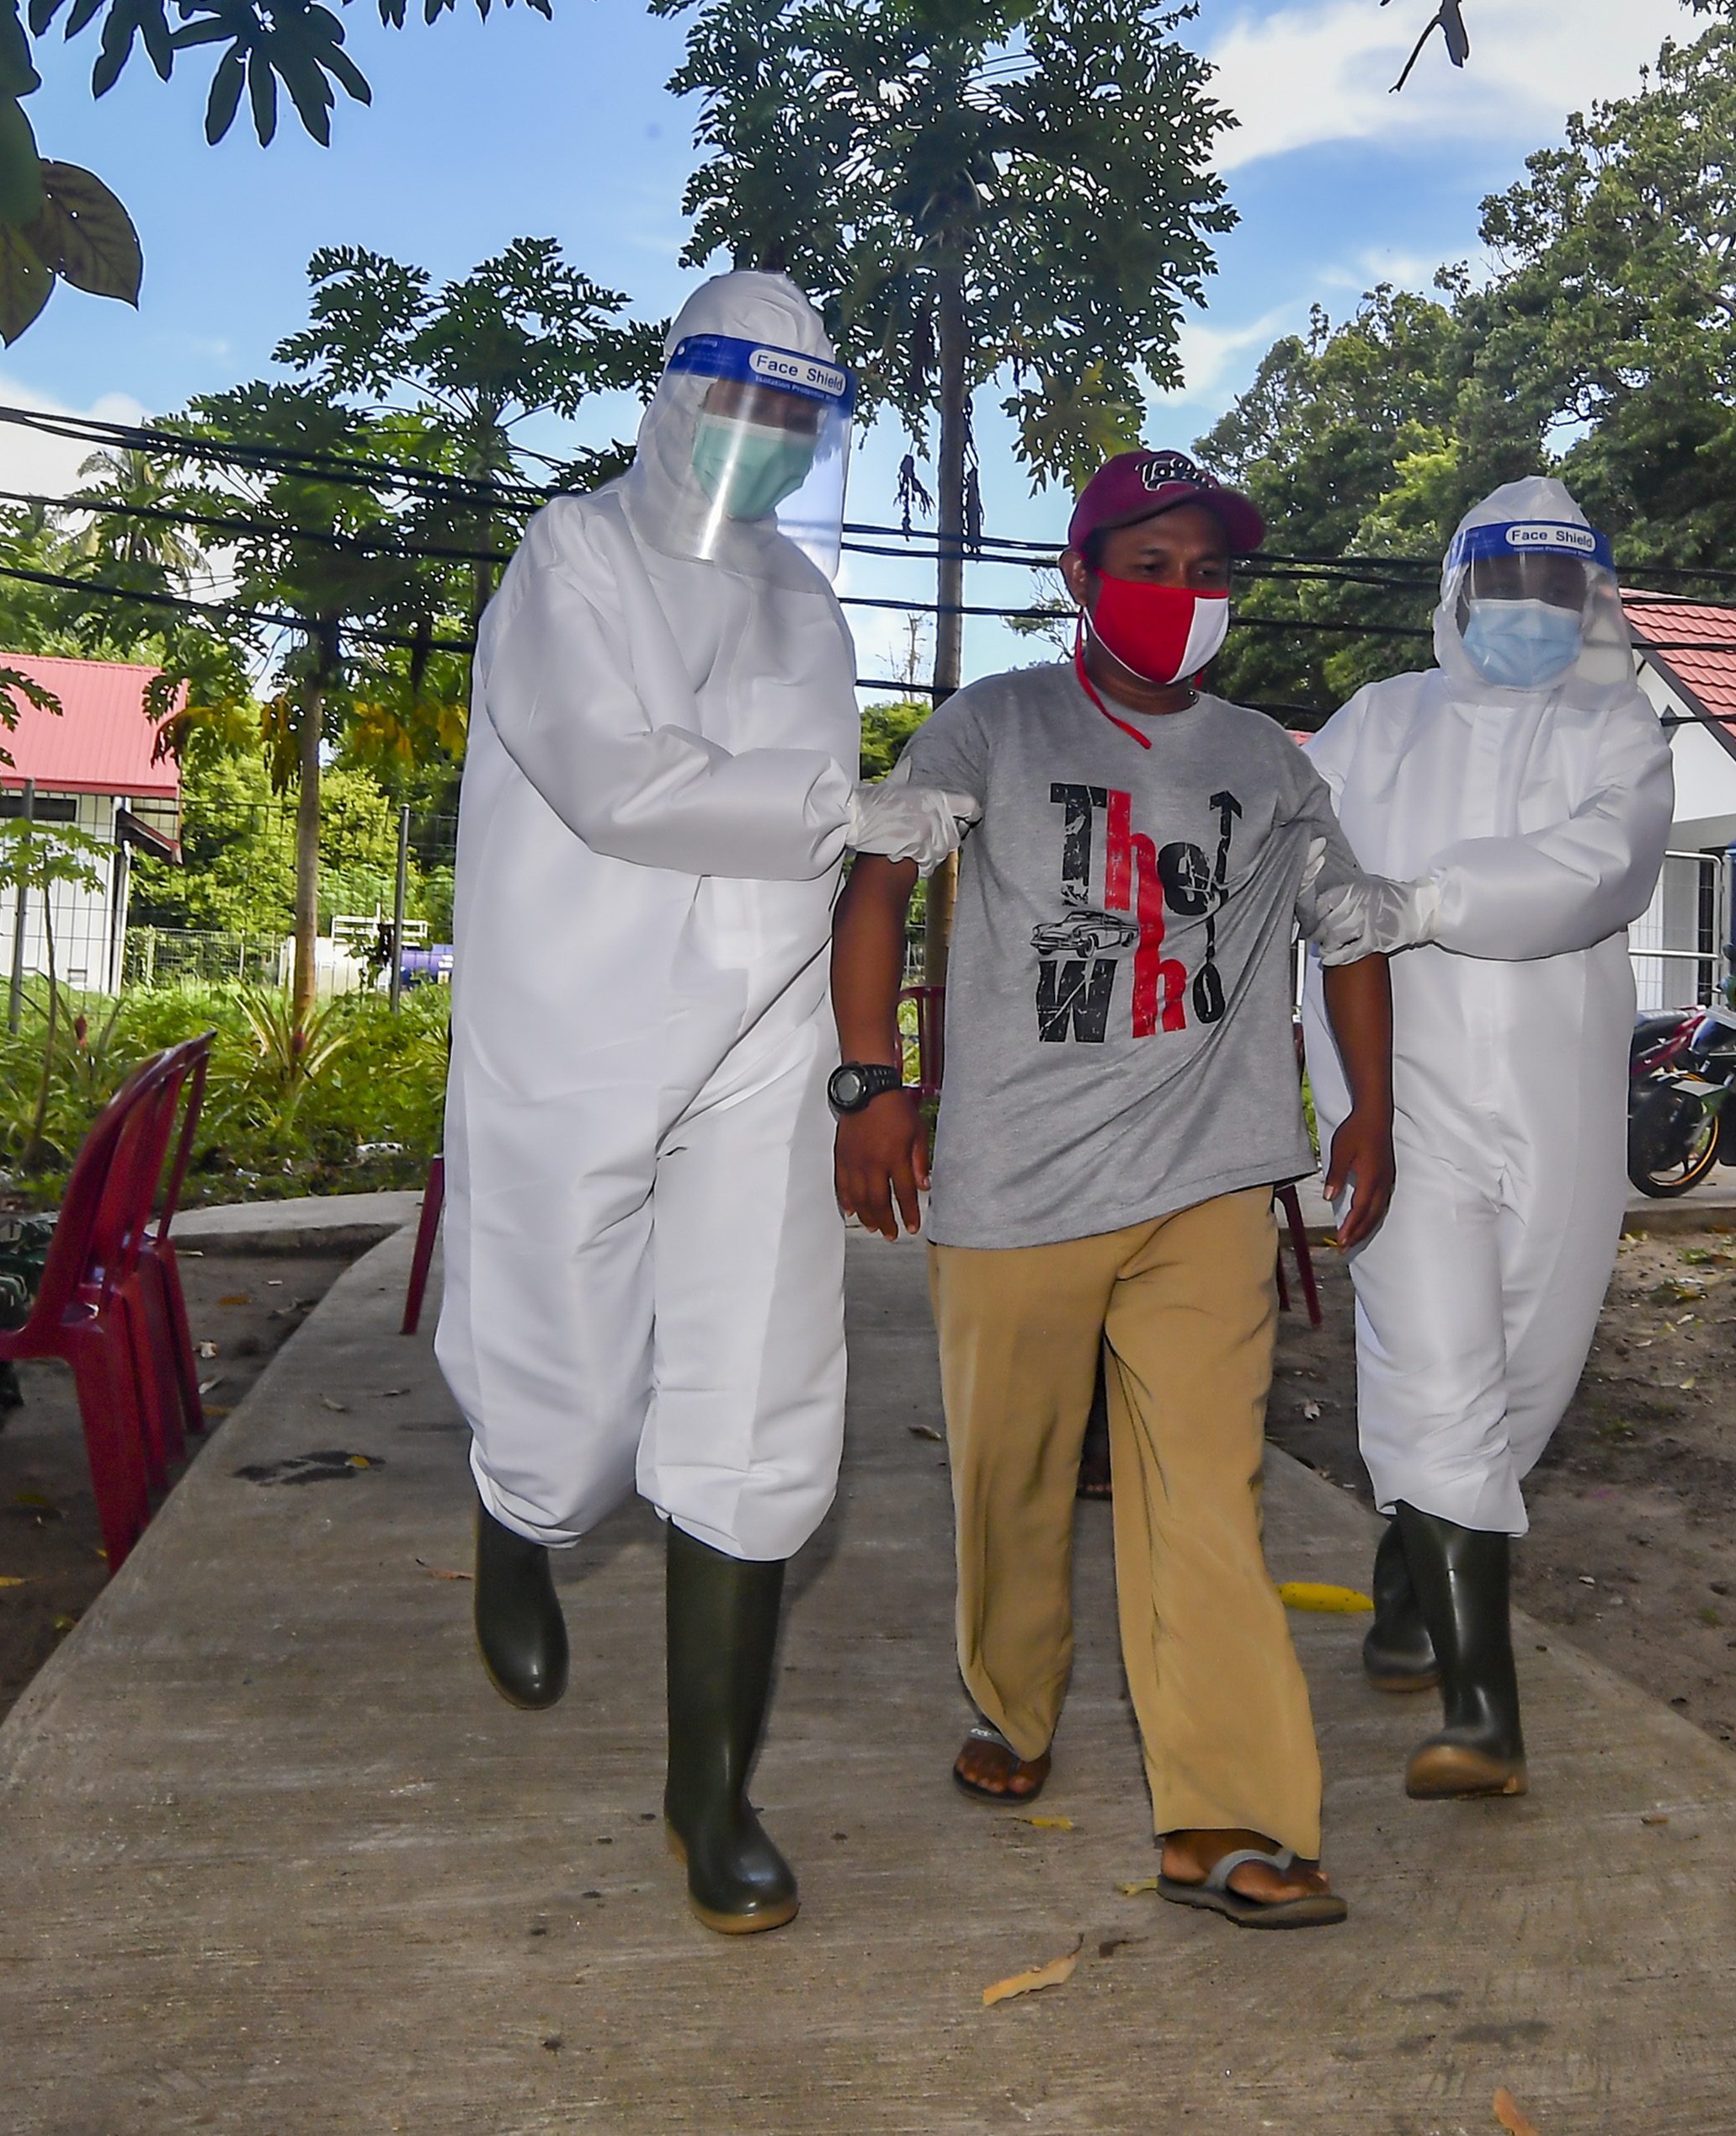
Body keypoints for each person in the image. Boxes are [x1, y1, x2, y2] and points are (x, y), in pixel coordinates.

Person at [434, 269, 976, 1937]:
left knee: (760, 1390)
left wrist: (855, 1030)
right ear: (673, 396)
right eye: (744, 401)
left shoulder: (807, 601)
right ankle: (519, 1511)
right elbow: (613, 780)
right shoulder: (570, 557)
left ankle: (710, 1792)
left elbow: (815, 839)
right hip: (578, 1023)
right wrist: (843, 807)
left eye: (799, 417)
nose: (768, 438)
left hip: (761, 1033)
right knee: (568, 1389)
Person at [829, 449, 1424, 1930]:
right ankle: (1013, 1698)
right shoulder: (997, 721)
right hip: (1017, 1185)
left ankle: (1230, 1818)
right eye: (1149, 567)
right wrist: (869, 1078)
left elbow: (1348, 929)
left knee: (1207, 1499)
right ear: (1080, 579)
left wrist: (1371, 1108)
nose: (1182, 595)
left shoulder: (1268, 760)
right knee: (1011, 1486)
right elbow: (882, 879)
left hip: (1209, 1183)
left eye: (1207, 573)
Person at [1299, 477, 1673, 1799]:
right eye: (1506, 583)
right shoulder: (1378, 721)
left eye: (1558, 588)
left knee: (1526, 1377)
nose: (1530, 610)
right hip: (1400, 1104)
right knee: (1437, 1364)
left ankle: (1410, 1588)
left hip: (1563, 1112)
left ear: (1594, 602)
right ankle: (1482, 1714)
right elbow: (1291, 851)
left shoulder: (1620, 726)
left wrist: (1431, 898)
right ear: (1458, 593)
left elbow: (1604, 865)